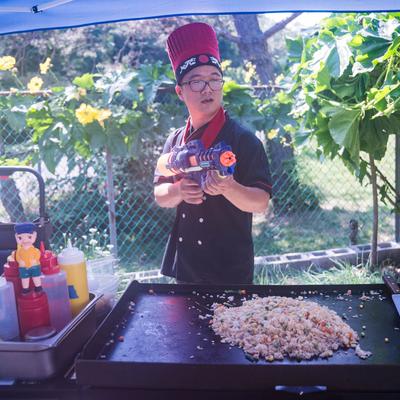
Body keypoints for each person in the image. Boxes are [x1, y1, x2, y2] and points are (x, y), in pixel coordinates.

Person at [154, 22, 272, 284]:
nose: (207, 88)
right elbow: (160, 194)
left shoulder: (244, 141)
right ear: (180, 92)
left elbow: (261, 202)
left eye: (214, 79)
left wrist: (229, 187)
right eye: (196, 82)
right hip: (186, 265)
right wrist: (178, 191)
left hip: (229, 268)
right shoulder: (175, 140)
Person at [13, 222, 42, 294]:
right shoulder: (19, 250)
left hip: (34, 266)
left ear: (34, 236)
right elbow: (17, 256)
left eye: (29, 237)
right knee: (24, 279)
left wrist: (35, 260)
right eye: (20, 238)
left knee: (36, 277)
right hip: (23, 267)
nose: (25, 240)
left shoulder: (35, 250)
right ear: (16, 237)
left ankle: (38, 287)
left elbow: (38, 254)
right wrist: (20, 261)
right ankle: (25, 289)